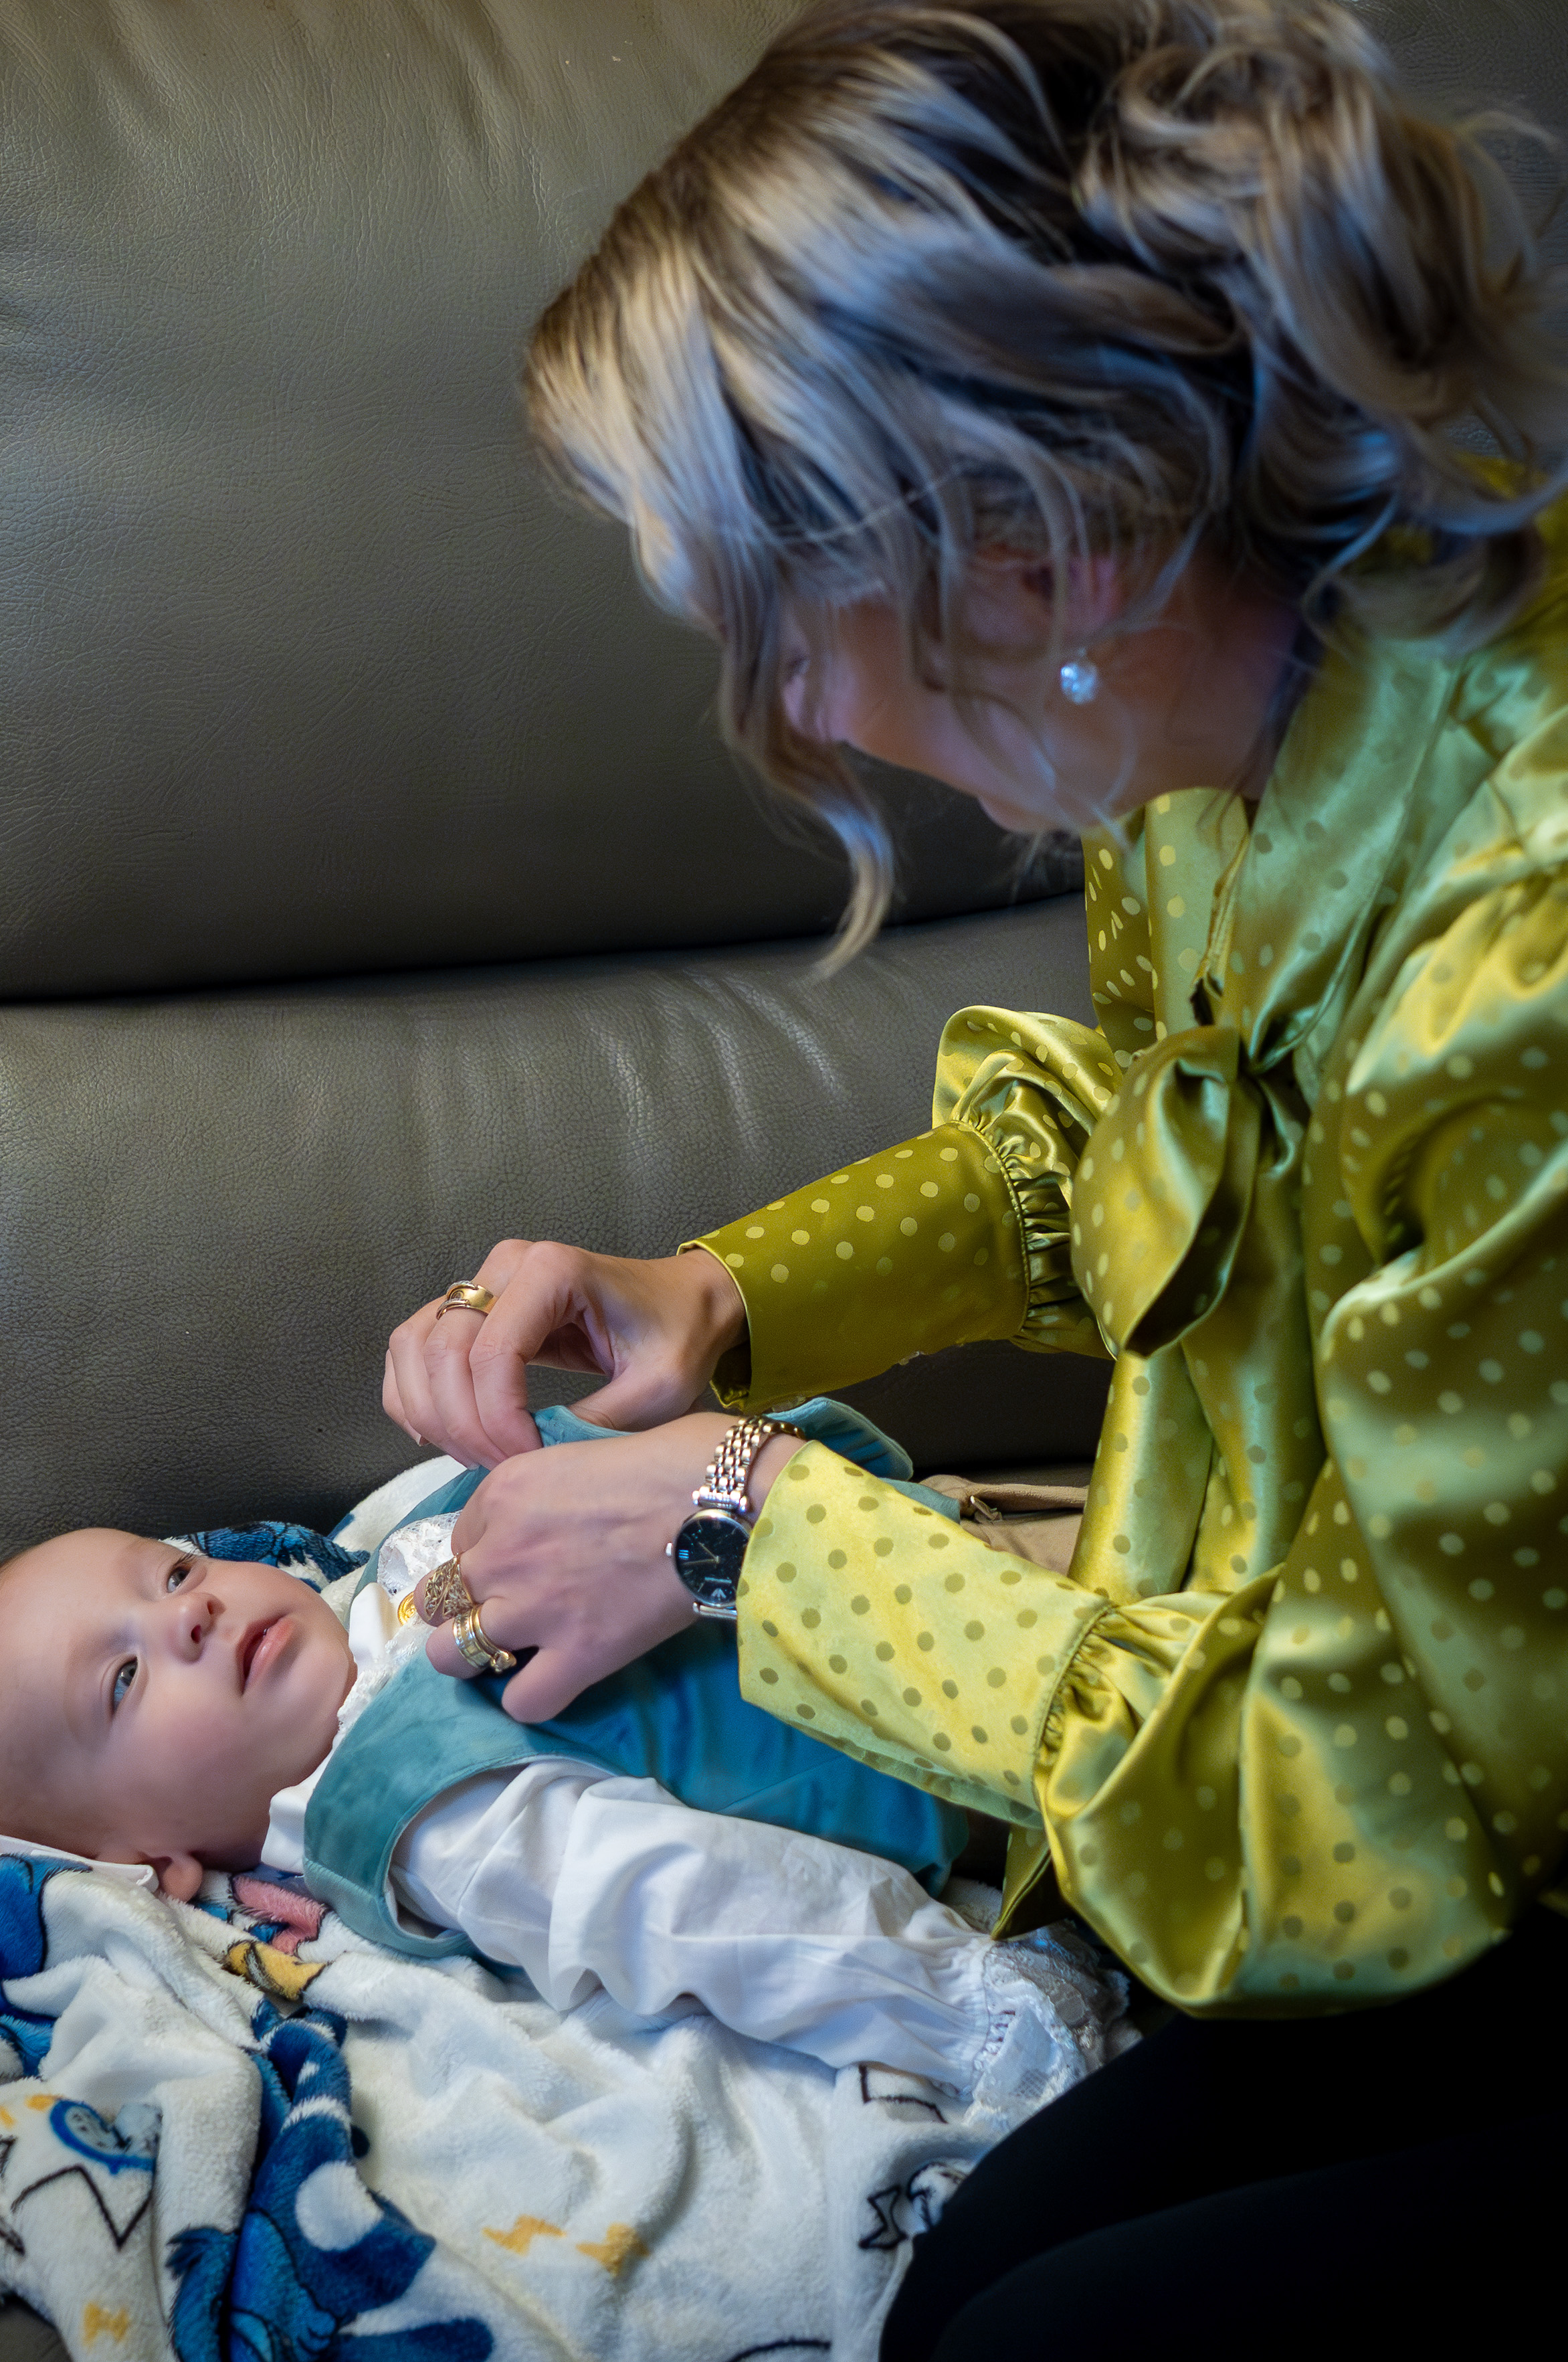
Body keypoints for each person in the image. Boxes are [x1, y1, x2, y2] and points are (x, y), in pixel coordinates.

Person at [375, 0, 1568, 2345]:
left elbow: (1390, 1788)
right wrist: (727, 1296)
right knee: (982, 2281)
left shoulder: (1525, 965)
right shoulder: (1240, 728)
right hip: (1415, 1826)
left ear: (1030, 543)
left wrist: (747, 1528)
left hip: (1460, 1834)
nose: (797, 714)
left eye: (771, 624)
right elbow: (1139, 1154)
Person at [0, 1400, 1122, 2103]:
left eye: (173, 1570)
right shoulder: (421, 1811)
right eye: (124, 1678)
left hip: (959, 1524)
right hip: (1011, 1716)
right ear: (154, 1862)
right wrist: (973, 2012)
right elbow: (693, 1906)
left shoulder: (381, 1563)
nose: (187, 1613)